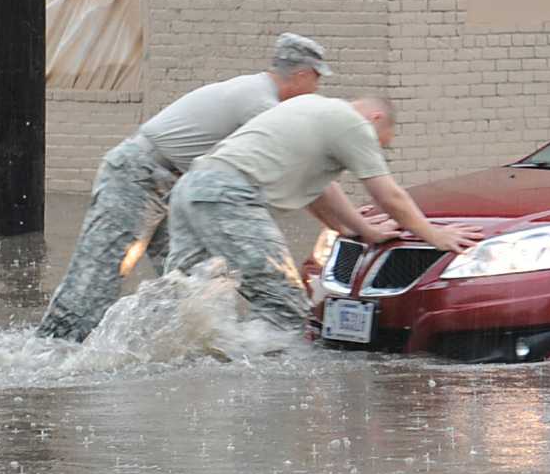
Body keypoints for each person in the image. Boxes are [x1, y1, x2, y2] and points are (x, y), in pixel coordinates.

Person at [35, 33, 333, 341]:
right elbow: (303, 173)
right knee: (99, 275)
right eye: (317, 80)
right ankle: (51, 349)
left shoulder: (255, 92)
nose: (317, 89)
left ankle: (152, 345)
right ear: (302, 74)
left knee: (193, 278)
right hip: (138, 176)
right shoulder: (260, 103)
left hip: (176, 188)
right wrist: (347, 227)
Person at [164, 93, 482, 334]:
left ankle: (149, 355)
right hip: (227, 195)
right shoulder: (354, 125)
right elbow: (389, 195)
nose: (374, 151)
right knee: (285, 306)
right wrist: (436, 235)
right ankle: (253, 385)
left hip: (191, 187)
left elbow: (320, 191)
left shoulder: (312, 108)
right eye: (379, 145)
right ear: (374, 119)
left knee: (182, 296)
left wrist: (359, 230)